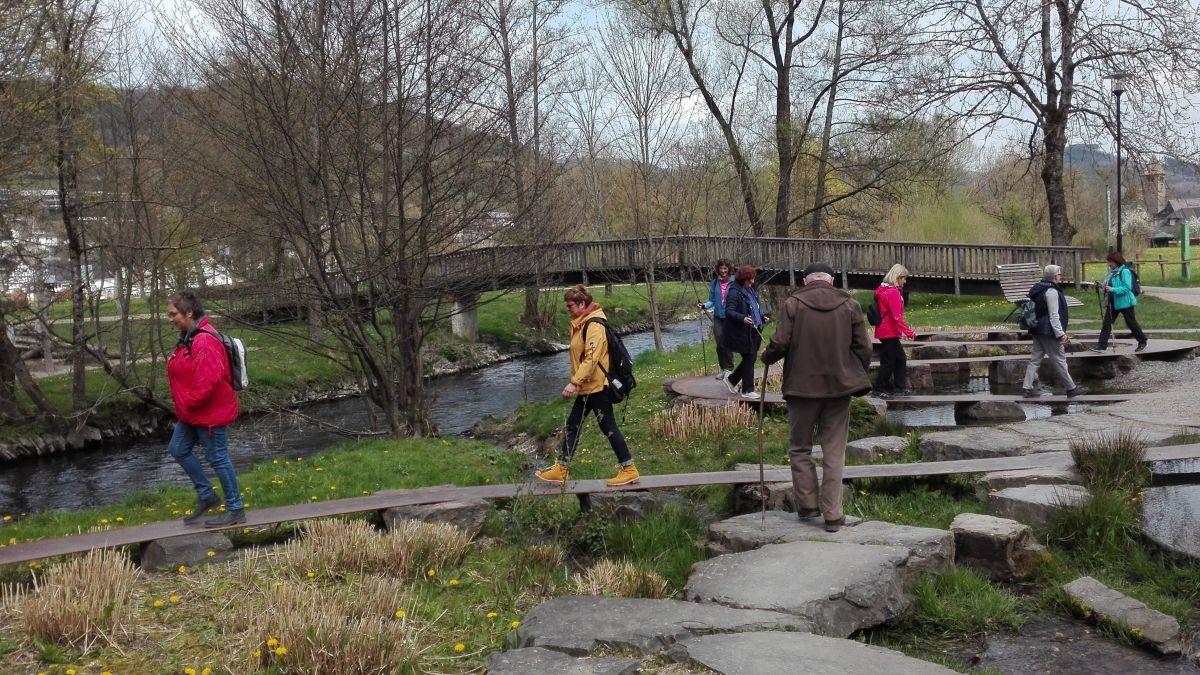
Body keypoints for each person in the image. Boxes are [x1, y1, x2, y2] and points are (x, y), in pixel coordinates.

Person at [762, 262, 872, 533]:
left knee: (800, 447)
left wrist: (767, 356)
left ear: (805, 280)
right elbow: (864, 347)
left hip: (801, 389)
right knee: (834, 450)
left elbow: (780, 342)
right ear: (832, 281)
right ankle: (833, 515)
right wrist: (853, 370)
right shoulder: (850, 305)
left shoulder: (792, 304)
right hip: (839, 388)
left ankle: (808, 505)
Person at [536, 285, 639, 487]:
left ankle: (629, 469)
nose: (568, 309)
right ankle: (562, 469)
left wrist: (574, 383)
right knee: (573, 424)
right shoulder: (581, 324)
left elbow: (591, 359)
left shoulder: (594, 325)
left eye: (570, 306)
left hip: (598, 386)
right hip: (588, 387)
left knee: (607, 426)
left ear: (582, 304)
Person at [166, 291, 246, 527]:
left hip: (209, 412)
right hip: (192, 413)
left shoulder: (204, 340)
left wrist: (187, 402)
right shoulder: (189, 337)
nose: (170, 319)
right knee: (178, 449)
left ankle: (235, 509)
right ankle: (207, 495)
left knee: (218, 458)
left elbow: (208, 381)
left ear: (189, 313)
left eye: (173, 314)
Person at [1022, 265, 1086, 398]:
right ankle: (1071, 389)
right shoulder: (1051, 291)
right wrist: (1061, 334)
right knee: (1060, 360)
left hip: (1037, 328)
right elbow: (1054, 315)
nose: (1060, 276)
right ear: (1055, 276)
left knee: (1035, 359)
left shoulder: (1039, 287)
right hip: (1048, 331)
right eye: (1059, 274)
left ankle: (1027, 388)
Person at [871, 264, 916, 399]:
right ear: (897, 277)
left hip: (886, 330)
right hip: (888, 331)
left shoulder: (884, 289)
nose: (905, 281)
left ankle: (900, 387)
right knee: (889, 361)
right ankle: (879, 388)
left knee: (900, 358)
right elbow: (897, 316)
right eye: (904, 278)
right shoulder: (893, 292)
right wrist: (909, 332)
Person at [721, 265, 765, 400]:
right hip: (741, 332)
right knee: (750, 359)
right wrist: (742, 318)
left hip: (754, 330)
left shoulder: (751, 290)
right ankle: (747, 390)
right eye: (750, 279)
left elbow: (754, 309)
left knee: (750, 359)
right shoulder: (734, 292)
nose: (752, 281)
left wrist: (762, 318)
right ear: (743, 279)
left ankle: (732, 380)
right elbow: (729, 311)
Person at [1090, 251, 1148, 354]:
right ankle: (1101, 346)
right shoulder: (1111, 272)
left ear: (1117, 262)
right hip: (1113, 301)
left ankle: (1142, 341)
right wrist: (1100, 286)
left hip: (1125, 302)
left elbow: (1127, 288)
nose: (1109, 264)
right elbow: (1108, 285)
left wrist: (1113, 289)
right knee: (1107, 323)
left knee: (1131, 323)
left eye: (1111, 262)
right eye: (1109, 262)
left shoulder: (1124, 271)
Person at [697, 259, 736, 380]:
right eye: (721, 268)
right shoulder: (715, 283)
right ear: (718, 270)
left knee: (727, 343)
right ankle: (724, 369)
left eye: (725, 268)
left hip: (729, 317)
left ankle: (729, 369)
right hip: (718, 317)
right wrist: (704, 305)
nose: (723, 271)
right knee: (719, 344)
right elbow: (712, 300)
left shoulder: (734, 281)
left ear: (729, 269)